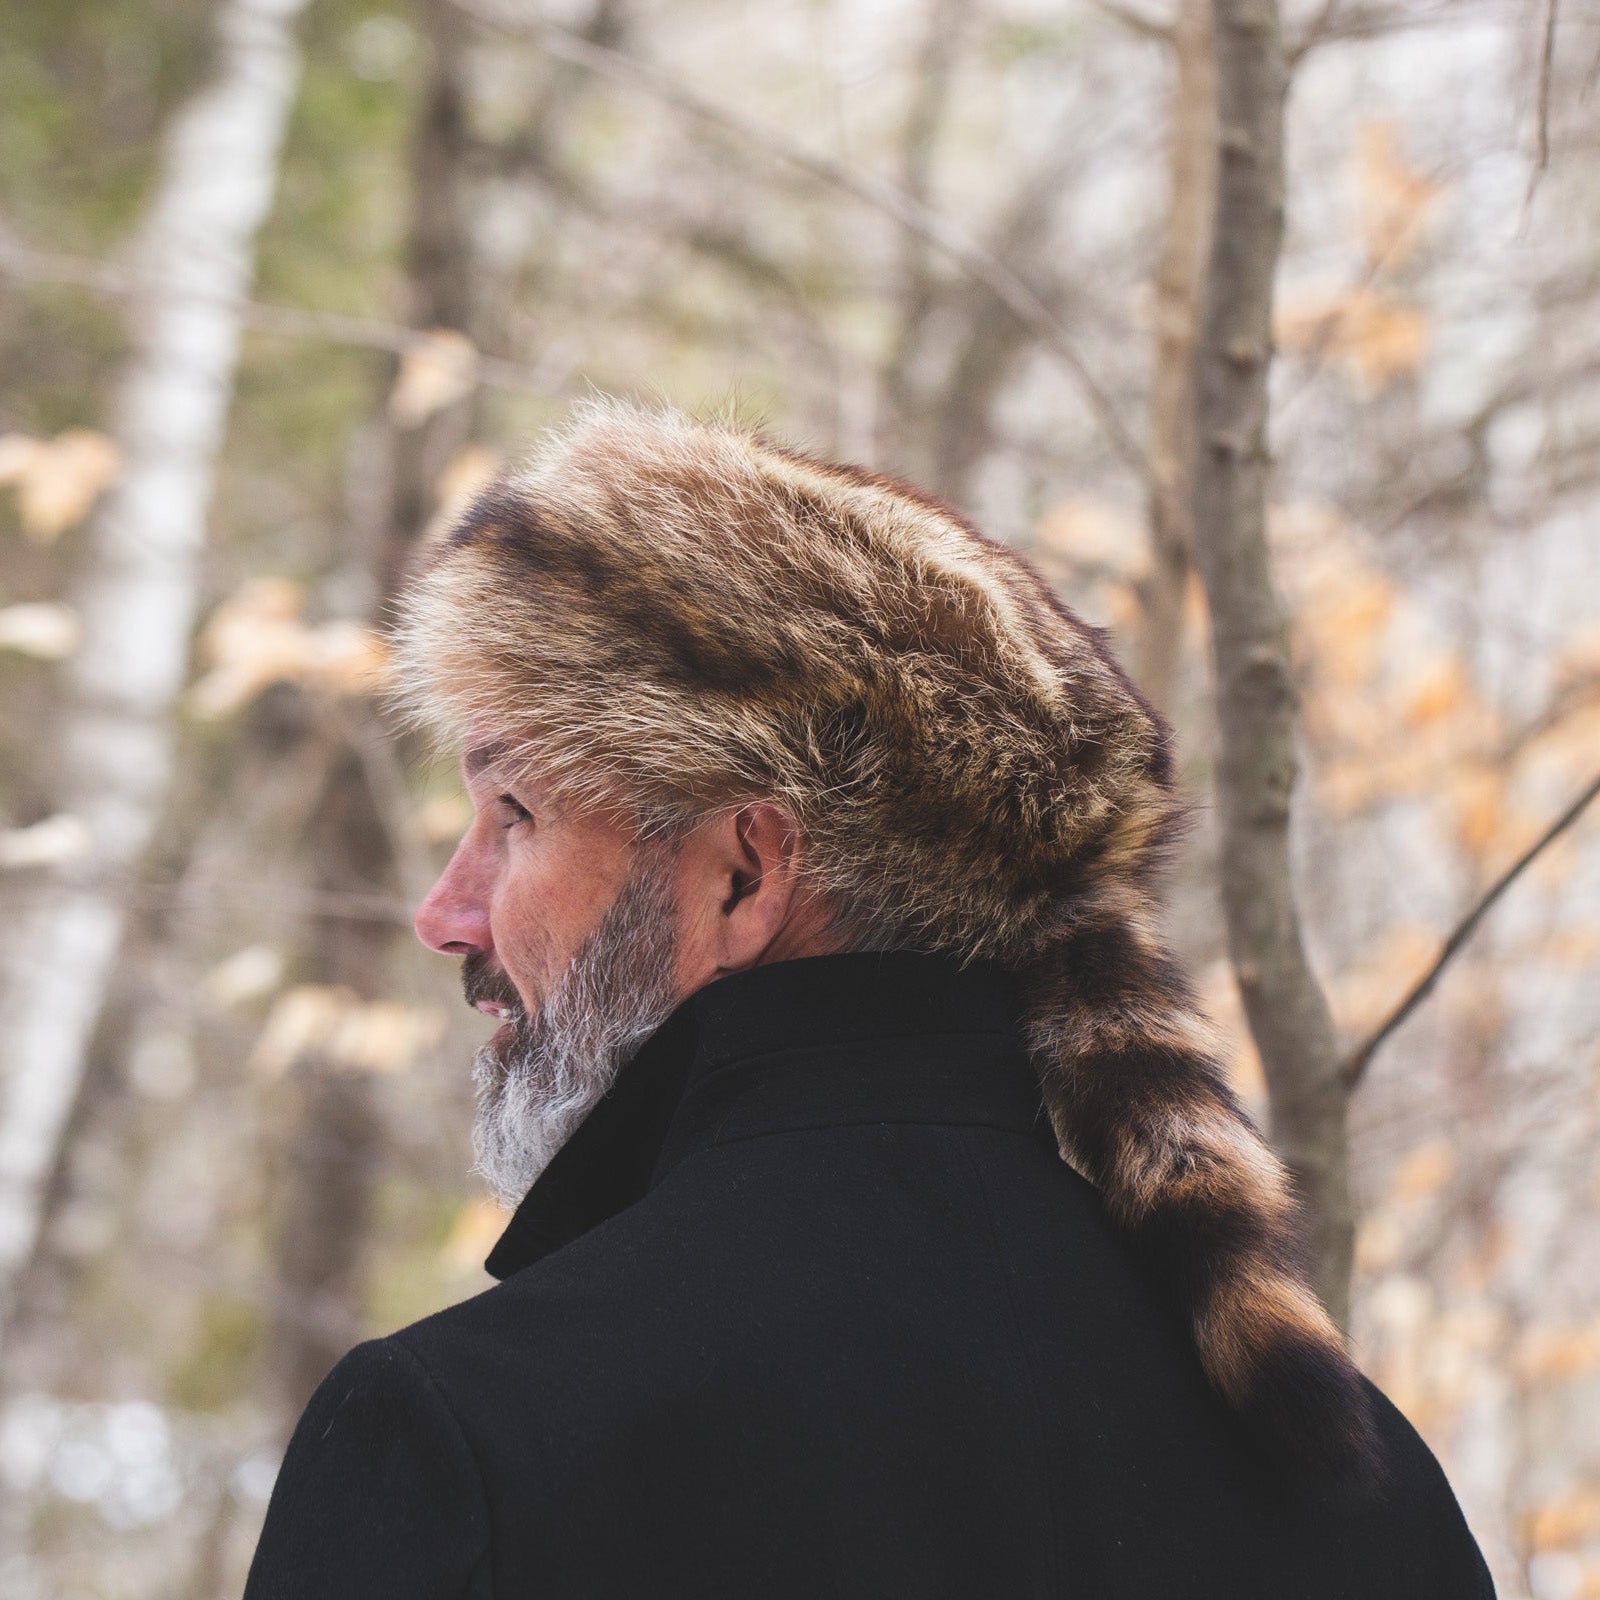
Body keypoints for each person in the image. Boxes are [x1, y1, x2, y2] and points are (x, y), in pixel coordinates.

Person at [244, 400, 1495, 1598]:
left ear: (743, 873)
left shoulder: (464, 1438)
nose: (444, 913)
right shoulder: (1353, 1478)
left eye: (515, 815)